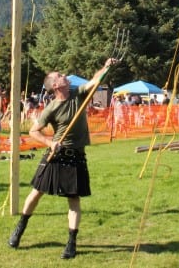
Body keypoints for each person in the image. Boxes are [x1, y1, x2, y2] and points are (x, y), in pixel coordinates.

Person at [7, 58, 117, 259]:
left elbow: (94, 81)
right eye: (60, 75)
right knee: (36, 193)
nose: (64, 75)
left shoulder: (79, 93)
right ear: (55, 85)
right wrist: (50, 143)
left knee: (73, 200)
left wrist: (106, 67)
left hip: (76, 155)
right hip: (55, 155)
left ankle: (71, 243)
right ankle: (20, 228)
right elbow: (33, 130)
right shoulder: (52, 108)